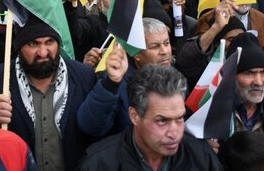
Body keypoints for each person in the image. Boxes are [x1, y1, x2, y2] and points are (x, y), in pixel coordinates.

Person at [0, 16, 97, 171]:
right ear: (19, 47)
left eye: (49, 42)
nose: (43, 52)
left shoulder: (84, 77)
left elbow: (97, 130)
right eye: (33, 44)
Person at [78, 64, 222, 170]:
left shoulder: (202, 158)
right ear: (134, 116)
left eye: (179, 118)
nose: (174, 133)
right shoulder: (97, 164)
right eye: (162, 120)